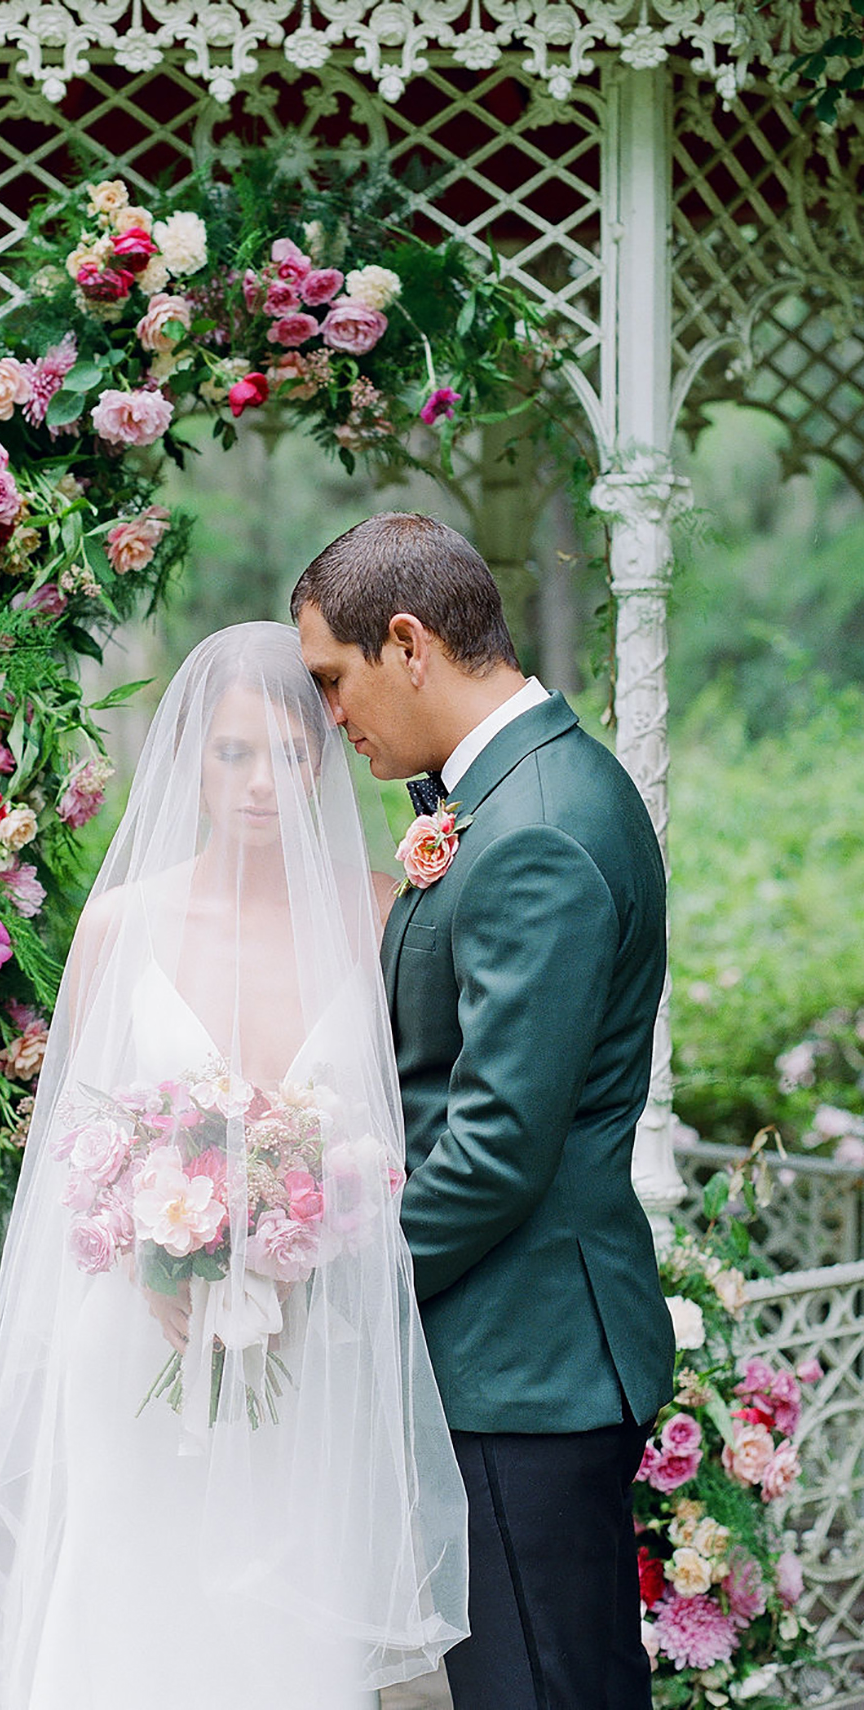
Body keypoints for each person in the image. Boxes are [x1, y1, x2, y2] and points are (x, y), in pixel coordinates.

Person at [0, 622, 468, 1710]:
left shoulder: (380, 916)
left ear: (326, 757)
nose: (263, 783)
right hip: (134, 1344)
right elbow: (76, 1141)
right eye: (232, 754)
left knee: (275, 1631)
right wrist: (147, 1259)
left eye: (290, 753)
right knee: (128, 1624)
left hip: (307, 1346)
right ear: (188, 760)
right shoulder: (124, 926)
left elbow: (415, 1126)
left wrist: (318, 1223)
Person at [293, 513, 675, 1710]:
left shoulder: (539, 828)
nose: (330, 716)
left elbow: (498, 1147)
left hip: (527, 1367)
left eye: (333, 679)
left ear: (407, 644)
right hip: (506, 1356)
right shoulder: (501, 794)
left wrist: (331, 1294)